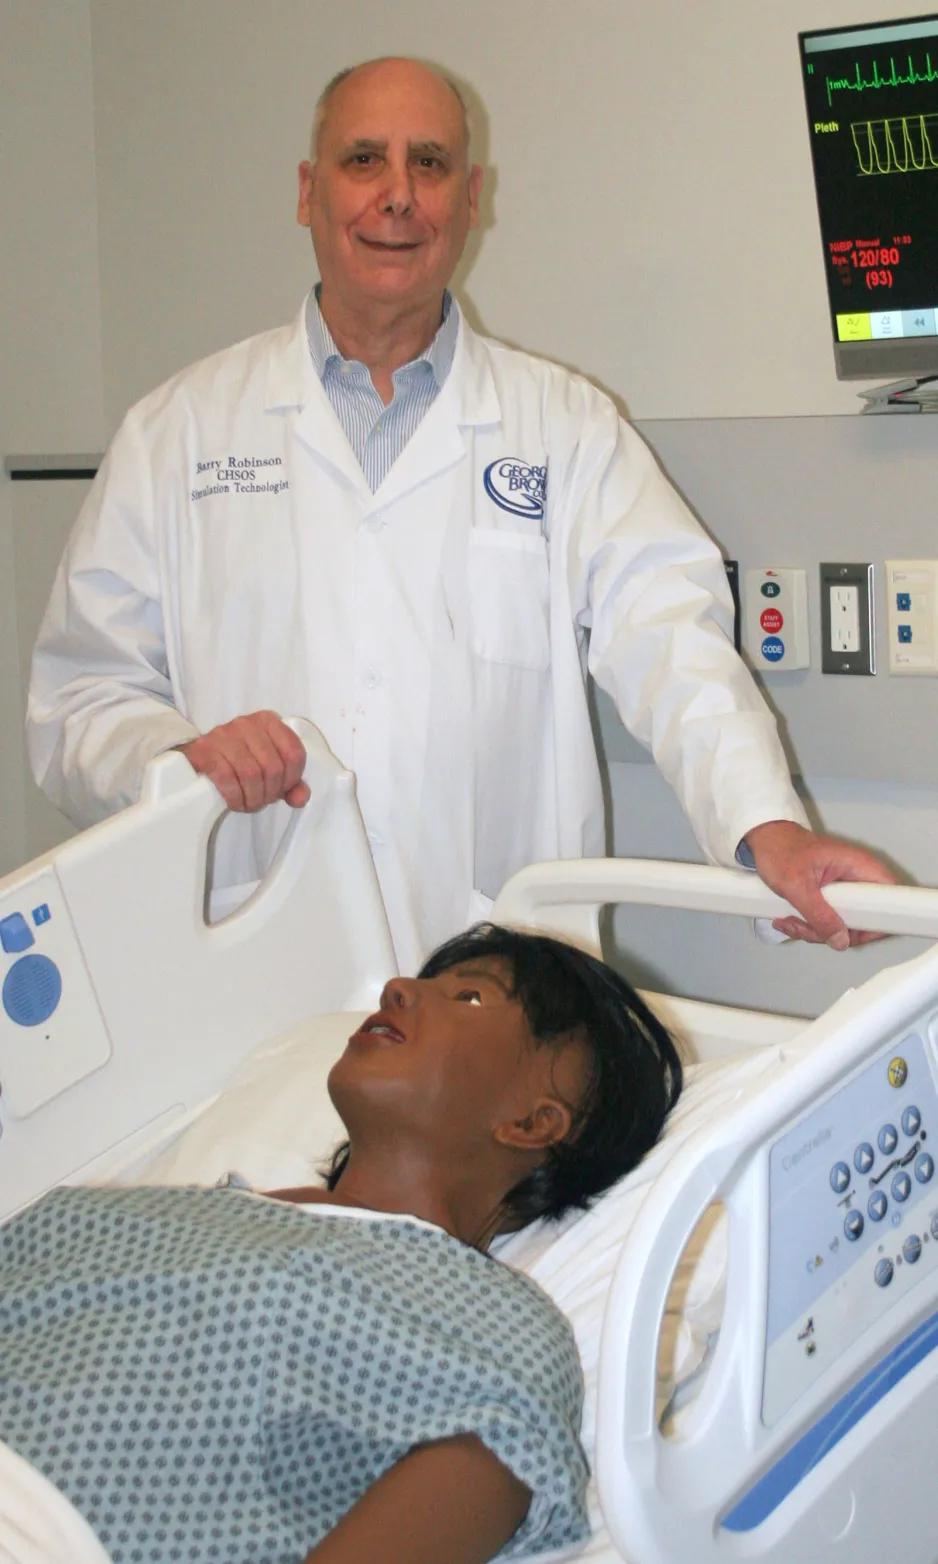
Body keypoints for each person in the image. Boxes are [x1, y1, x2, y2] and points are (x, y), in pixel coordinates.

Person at [26, 57, 894, 973]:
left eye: (430, 164)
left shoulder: (565, 426)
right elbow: (79, 698)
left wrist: (770, 829)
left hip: (499, 988)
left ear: (470, 198)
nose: (397, 196)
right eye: (364, 160)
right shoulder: (178, 431)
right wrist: (177, 757)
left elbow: (672, 640)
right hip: (253, 975)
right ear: (307, 191)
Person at [0, 924, 682, 1564]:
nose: (399, 989)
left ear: (535, 1122)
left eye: (469, 996)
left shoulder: (491, 1334)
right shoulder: (153, 1213)